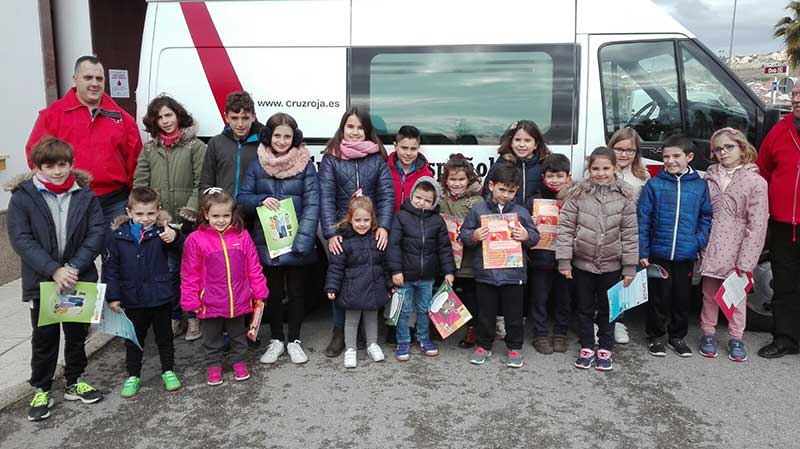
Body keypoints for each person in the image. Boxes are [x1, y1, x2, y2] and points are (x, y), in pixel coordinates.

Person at [7, 137, 105, 421]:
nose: (58, 171)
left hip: (79, 277)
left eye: (63, 164)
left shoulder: (85, 195)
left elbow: (96, 232)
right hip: (44, 281)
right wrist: (53, 269)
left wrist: (74, 266)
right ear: (37, 167)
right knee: (45, 338)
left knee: (76, 335)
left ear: (71, 164)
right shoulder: (23, 197)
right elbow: (21, 239)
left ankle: (75, 381)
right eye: (49, 166)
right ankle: (41, 387)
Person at [238, 112, 320, 365]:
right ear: (268, 136)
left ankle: (294, 340)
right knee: (272, 293)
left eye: (287, 136)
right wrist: (259, 200)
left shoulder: (306, 165)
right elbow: (242, 198)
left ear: (294, 138)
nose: (282, 141)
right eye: (277, 135)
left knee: (296, 292)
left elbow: (312, 203)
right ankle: (276, 340)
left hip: (296, 240)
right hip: (267, 241)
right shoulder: (257, 164)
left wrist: (303, 241)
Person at [26, 56, 142, 226]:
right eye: (88, 78)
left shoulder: (123, 118)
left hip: (115, 202)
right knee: (78, 252)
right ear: (75, 80)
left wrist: (136, 198)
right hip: (70, 200)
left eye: (99, 78)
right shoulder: (52, 115)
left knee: (117, 251)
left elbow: (136, 161)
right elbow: (35, 156)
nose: (94, 83)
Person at [318, 107, 394, 357]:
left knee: (369, 277)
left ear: (368, 130)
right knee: (342, 280)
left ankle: (364, 332)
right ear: (342, 128)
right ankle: (340, 331)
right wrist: (331, 233)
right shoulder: (331, 157)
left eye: (360, 127)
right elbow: (326, 197)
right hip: (342, 229)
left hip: (369, 227)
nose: (355, 132)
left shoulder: (377, 158)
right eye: (350, 126)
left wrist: (383, 226)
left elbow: (386, 195)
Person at [557, 147, 638, 371]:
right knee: (584, 308)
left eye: (606, 168)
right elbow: (565, 229)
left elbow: (631, 234)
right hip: (582, 262)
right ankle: (586, 345)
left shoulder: (625, 197)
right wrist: (564, 260)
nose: (600, 173)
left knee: (608, 308)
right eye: (595, 168)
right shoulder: (578, 195)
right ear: (589, 169)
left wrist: (629, 267)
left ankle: (605, 346)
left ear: (615, 168)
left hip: (612, 264)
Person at [134, 95, 207, 341]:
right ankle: (176, 317)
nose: (165, 121)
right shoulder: (149, 149)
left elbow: (201, 183)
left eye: (169, 115)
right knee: (167, 272)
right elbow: (140, 185)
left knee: (190, 272)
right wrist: (153, 213)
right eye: (160, 117)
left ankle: (194, 318)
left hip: (188, 222)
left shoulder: (195, 147)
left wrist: (190, 211)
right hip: (160, 222)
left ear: (178, 116)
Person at [181, 188, 269, 385]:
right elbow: (189, 273)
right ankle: (213, 365)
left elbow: (253, 265)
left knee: (238, 335)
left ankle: (238, 361)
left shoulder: (242, 236)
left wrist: (258, 290)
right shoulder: (195, 240)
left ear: (232, 215)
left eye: (225, 216)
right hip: (209, 301)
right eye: (215, 216)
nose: (221, 220)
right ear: (205, 215)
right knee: (211, 338)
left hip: (238, 299)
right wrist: (191, 298)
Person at [697, 128, 769, 361]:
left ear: (742, 148)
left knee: (736, 295)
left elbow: (757, 223)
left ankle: (736, 336)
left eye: (729, 147)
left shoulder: (755, 181)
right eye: (718, 149)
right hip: (712, 243)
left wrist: (747, 259)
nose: (723, 152)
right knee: (709, 293)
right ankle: (707, 332)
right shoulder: (710, 176)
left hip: (738, 245)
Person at [638, 134, 712, 358]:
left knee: (682, 298)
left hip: (685, 254)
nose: (670, 161)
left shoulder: (699, 186)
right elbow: (643, 218)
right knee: (658, 297)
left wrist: (697, 241)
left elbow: (706, 216)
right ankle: (655, 337)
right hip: (658, 253)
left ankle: (677, 337)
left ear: (689, 157)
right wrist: (643, 250)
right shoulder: (654, 184)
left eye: (676, 156)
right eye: (666, 156)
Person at [104, 187, 183, 398]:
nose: (145, 219)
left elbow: (182, 250)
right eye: (139, 214)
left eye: (150, 213)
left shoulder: (163, 232)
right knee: (133, 339)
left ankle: (168, 370)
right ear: (129, 212)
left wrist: (175, 237)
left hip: (160, 295)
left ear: (158, 211)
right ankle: (133, 375)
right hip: (132, 298)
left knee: (164, 337)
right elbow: (110, 268)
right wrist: (113, 296)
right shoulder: (117, 237)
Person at [460, 162, 539, 368]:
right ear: (492, 185)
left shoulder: (521, 213)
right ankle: (484, 345)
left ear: (517, 191)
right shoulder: (478, 211)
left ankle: (514, 347)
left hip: (514, 274)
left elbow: (535, 237)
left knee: (514, 314)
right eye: (502, 189)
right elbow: (465, 235)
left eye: (511, 191)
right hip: (486, 273)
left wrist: (526, 235)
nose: (505, 195)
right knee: (486, 313)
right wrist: (475, 235)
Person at [483, 120, 550, 339]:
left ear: (536, 142)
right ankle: (504, 319)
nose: (522, 144)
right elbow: (487, 194)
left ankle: (526, 320)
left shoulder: (542, 166)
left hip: (533, 229)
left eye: (527, 140)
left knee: (534, 276)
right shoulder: (500, 165)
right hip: (505, 235)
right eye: (518, 139)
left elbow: (549, 193)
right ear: (510, 142)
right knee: (506, 275)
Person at [388, 177, 457, 360]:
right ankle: (403, 341)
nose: (422, 203)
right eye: (418, 197)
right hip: (404, 276)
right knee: (403, 311)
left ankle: (423, 338)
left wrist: (449, 272)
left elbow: (444, 248)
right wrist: (396, 271)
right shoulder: (401, 217)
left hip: (427, 276)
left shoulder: (437, 221)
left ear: (434, 202)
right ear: (412, 195)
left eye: (427, 200)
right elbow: (393, 246)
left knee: (425, 309)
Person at [755, 85, 800, 358]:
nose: (795, 99)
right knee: (784, 284)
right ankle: (785, 338)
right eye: (795, 95)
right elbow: (763, 169)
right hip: (784, 224)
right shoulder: (780, 130)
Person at [325, 196, 391, 368]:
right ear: (350, 219)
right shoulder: (343, 241)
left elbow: (385, 264)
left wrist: (390, 284)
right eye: (358, 220)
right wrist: (332, 286)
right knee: (351, 321)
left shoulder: (377, 240)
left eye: (366, 220)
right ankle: (351, 349)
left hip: (374, 287)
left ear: (372, 220)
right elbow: (336, 267)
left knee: (371, 319)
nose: (362, 224)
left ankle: (372, 344)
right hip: (352, 289)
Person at [608, 127, 651, 344]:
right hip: (604, 233)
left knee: (623, 279)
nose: (624, 155)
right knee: (602, 278)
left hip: (628, 234)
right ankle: (600, 320)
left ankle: (618, 320)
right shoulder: (601, 168)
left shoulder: (641, 175)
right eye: (619, 149)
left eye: (630, 151)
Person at [438, 154, 485, 348]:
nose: (457, 184)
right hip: (446, 254)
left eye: (461, 179)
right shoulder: (441, 200)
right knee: (444, 291)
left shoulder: (478, 201)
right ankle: (441, 324)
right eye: (452, 179)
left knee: (469, 293)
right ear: (445, 181)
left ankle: (473, 328)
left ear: (469, 179)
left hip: (468, 257)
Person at [528, 154, 573, 354]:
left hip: (567, 259)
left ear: (568, 177)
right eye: (550, 176)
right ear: (543, 177)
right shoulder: (535, 199)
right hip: (541, 258)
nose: (554, 180)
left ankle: (561, 333)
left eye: (559, 176)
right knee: (540, 298)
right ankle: (540, 333)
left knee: (564, 298)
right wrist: (530, 220)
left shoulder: (574, 199)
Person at [199, 91, 263, 203]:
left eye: (245, 118)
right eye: (234, 118)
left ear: (253, 117)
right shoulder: (215, 143)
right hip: (223, 214)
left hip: (253, 212)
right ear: (226, 117)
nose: (240, 124)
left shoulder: (263, 144)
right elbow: (206, 184)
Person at [387, 125, 434, 211]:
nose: (408, 153)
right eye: (404, 148)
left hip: (413, 223)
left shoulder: (426, 175)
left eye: (413, 149)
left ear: (419, 148)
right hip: (389, 222)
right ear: (395, 146)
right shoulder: (385, 170)